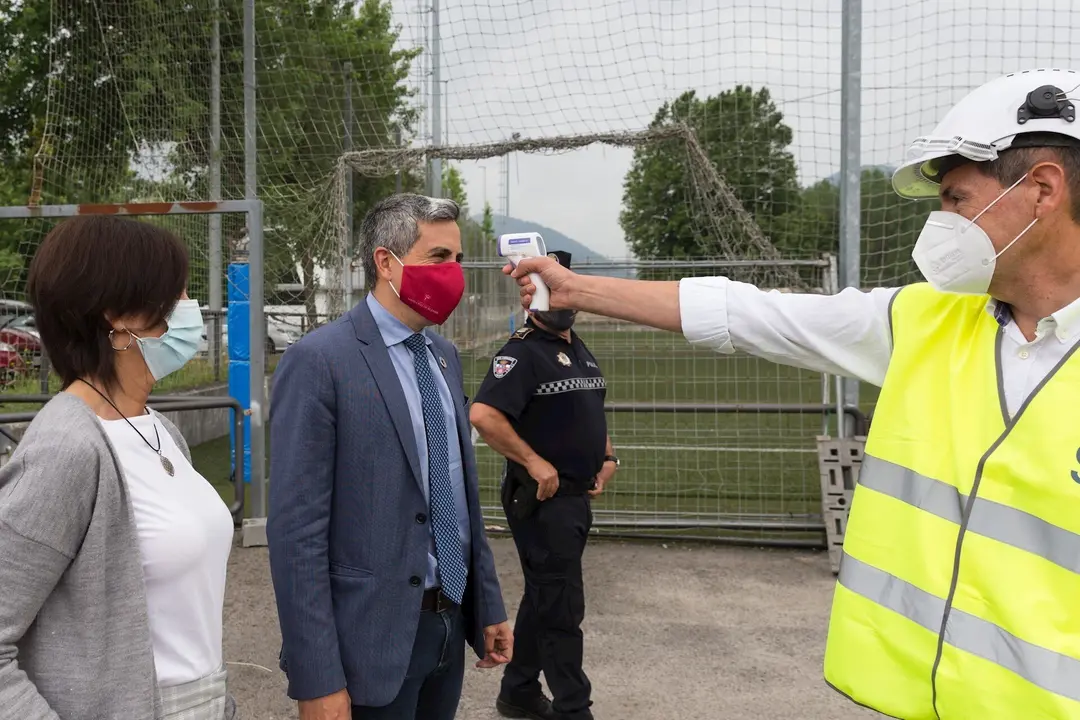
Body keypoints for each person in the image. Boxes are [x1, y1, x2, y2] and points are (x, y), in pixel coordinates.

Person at [505, 68, 1080, 719]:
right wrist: (576, 290)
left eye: (953, 198)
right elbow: (751, 314)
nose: (941, 221)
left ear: (1042, 190)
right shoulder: (925, 319)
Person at [267, 193, 513, 720]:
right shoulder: (319, 361)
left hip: (447, 626)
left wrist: (485, 605)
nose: (455, 273)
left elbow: (457, 495)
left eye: (459, 259)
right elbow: (296, 534)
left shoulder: (443, 357)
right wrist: (317, 677)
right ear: (386, 262)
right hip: (367, 646)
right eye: (439, 258)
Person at [0, 216, 238, 720]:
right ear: (117, 316)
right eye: (175, 294)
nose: (189, 309)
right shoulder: (66, 449)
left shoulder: (158, 429)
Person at [469, 250, 614, 720]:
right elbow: (484, 415)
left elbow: (591, 409)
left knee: (545, 594)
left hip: (574, 498)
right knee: (562, 609)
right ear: (529, 293)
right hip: (543, 500)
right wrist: (534, 462)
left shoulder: (577, 346)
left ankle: (519, 692)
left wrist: (607, 455)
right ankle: (575, 709)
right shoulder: (522, 351)